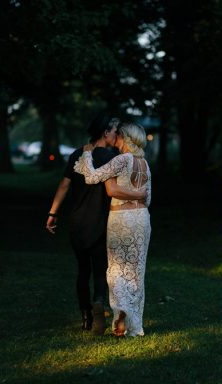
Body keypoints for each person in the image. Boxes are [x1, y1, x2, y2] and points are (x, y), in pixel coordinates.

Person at [46, 116, 146, 336]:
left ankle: (85, 317)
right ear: (105, 132)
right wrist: (139, 196)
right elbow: (120, 187)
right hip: (101, 222)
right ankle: (98, 301)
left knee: (83, 271)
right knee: (101, 270)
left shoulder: (78, 154)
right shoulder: (113, 158)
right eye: (113, 131)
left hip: (77, 223)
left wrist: (53, 212)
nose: (115, 135)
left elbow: (64, 185)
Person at [74, 122, 151, 337]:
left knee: (117, 269)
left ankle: (121, 316)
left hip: (122, 218)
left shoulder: (121, 160)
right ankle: (136, 326)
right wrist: (137, 195)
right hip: (142, 219)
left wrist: (87, 155)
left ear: (126, 138)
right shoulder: (144, 164)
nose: (116, 138)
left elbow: (91, 177)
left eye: (120, 136)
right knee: (137, 273)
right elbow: (148, 196)